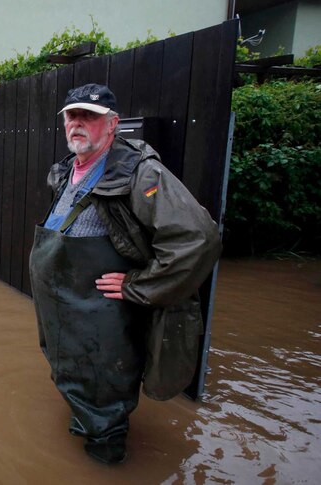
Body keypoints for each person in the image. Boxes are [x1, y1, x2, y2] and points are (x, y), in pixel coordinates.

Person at [28, 84, 222, 464]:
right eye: (71, 116)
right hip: (67, 317)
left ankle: (106, 460)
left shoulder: (141, 175)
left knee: (105, 401)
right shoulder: (67, 170)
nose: (77, 123)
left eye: (89, 116)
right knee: (76, 385)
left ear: (113, 124)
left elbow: (198, 239)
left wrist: (140, 286)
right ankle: (85, 431)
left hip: (103, 325)